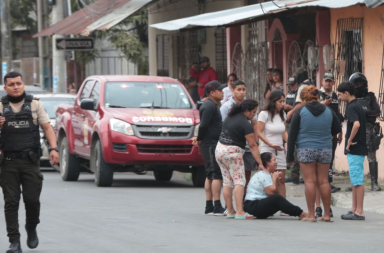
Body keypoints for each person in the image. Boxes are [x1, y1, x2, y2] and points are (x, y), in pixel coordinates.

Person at [0, 71, 60, 253]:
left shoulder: (35, 104)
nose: (16, 87)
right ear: (5, 87)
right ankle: (14, 242)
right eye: (11, 84)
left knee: (32, 200)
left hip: (30, 161)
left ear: (23, 84)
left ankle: (31, 227)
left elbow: (47, 127)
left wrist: (54, 149)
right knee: (11, 202)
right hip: (8, 162)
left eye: (18, 83)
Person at [287, 86, 341, 222]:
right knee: (324, 181)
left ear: (304, 98)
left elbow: (292, 135)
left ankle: (311, 215)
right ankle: (327, 214)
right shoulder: (329, 111)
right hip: (325, 149)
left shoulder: (300, 111)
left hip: (306, 149)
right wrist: (326, 135)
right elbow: (337, 128)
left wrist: (290, 156)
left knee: (309, 181)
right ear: (318, 96)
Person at [215, 99, 264, 219]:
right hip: (233, 153)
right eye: (253, 112)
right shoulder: (245, 124)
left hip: (220, 150)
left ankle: (230, 211)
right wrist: (260, 163)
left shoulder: (230, 116)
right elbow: (252, 145)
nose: (254, 115)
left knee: (227, 182)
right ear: (246, 111)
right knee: (239, 182)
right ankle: (240, 212)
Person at [194, 80, 226, 216]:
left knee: (210, 175)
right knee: (215, 174)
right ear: (212, 92)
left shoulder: (212, 105)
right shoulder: (209, 106)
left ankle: (209, 206)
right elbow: (203, 125)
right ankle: (216, 205)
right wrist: (200, 139)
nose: (223, 92)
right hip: (210, 144)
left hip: (211, 143)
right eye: (220, 90)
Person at [244, 152, 308, 219]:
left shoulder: (268, 174)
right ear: (267, 163)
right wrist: (274, 178)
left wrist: (276, 179)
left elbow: (276, 193)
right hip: (252, 206)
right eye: (274, 160)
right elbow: (271, 193)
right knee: (277, 198)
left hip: (256, 205)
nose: (276, 162)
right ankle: (301, 213)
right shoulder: (263, 174)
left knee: (278, 198)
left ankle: (300, 213)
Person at [220, 80, 258, 193]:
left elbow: (254, 124)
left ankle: (244, 202)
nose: (242, 92)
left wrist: (256, 141)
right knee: (231, 178)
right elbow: (222, 126)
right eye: (239, 89)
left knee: (246, 175)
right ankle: (230, 205)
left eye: (243, 89)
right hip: (231, 147)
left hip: (247, 146)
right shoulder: (226, 107)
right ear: (232, 90)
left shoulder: (249, 106)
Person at [315, 72, 344, 218]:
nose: (327, 83)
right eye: (325, 81)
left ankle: (328, 188)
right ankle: (318, 206)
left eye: (329, 81)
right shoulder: (317, 94)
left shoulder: (335, 96)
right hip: (319, 133)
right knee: (316, 169)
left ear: (333, 82)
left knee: (329, 161)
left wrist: (339, 131)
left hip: (332, 132)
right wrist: (322, 104)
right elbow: (311, 109)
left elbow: (338, 115)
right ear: (322, 81)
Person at [337, 82, 367, 220]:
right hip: (357, 148)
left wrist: (349, 140)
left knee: (358, 180)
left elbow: (356, 124)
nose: (339, 96)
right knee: (355, 180)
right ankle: (354, 209)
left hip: (355, 147)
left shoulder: (352, 107)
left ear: (347, 93)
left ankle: (359, 211)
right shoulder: (356, 105)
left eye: (340, 94)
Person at [348, 73, 382, 192]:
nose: (359, 87)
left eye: (360, 84)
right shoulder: (351, 99)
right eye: (357, 85)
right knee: (355, 157)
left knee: (371, 157)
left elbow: (377, 111)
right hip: (356, 130)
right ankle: (355, 183)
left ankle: (374, 183)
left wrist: (365, 113)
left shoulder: (370, 96)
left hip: (368, 129)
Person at [257, 90, 288, 214]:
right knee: (267, 178)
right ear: (273, 101)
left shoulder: (282, 114)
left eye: (283, 101)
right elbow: (259, 132)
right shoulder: (264, 114)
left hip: (279, 149)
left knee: (281, 178)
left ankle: (284, 207)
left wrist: (289, 143)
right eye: (280, 101)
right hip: (267, 148)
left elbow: (284, 131)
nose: (282, 104)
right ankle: (263, 204)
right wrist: (270, 144)